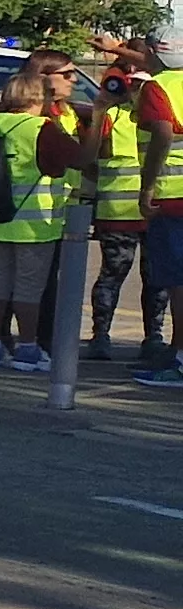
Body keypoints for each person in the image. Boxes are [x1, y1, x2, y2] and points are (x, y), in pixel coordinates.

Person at [0, 67, 80, 371]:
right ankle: (28, 348)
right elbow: (78, 157)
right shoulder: (41, 128)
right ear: (37, 97)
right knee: (29, 288)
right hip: (33, 224)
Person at [84, 33, 167, 363]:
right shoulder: (122, 117)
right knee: (130, 277)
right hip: (132, 212)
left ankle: (137, 337)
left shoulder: (127, 118)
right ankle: (120, 336)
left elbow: (90, 163)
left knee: (143, 277)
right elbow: (90, 160)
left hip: (139, 211)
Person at [126, 36, 183, 388]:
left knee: (179, 283)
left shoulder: (159, 87)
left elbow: (162, 132)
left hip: (174, 198)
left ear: (151, 54)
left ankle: (179, 360)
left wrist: (147, 185)